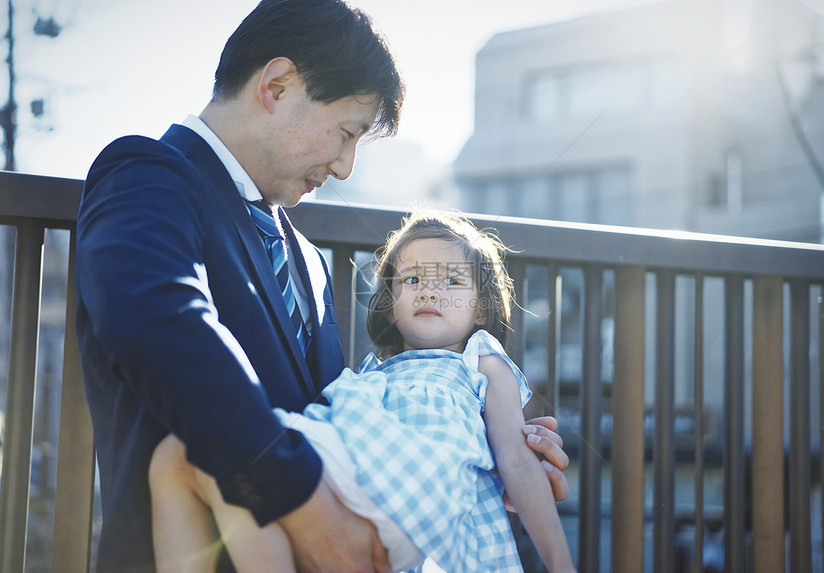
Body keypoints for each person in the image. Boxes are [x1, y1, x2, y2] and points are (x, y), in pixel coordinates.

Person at [75, 1, 569, 571]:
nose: (344, 167)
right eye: (345, 133)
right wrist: (301, 494)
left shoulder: (307, 259)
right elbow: (157, 319)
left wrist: (476, 442)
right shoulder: (147, 172)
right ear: (277, 85)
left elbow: (344, 423)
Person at [149, 210, 576, 573]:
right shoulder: (375, 374)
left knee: (216, 456)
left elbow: (517, 461)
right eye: (412, 280)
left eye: (451, 281)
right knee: (179, 457)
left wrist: (560, 563)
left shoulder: (481, 358)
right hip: (352, 482)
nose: (429, 289)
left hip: (408, 493)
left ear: (480, 306)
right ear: (391, 302)